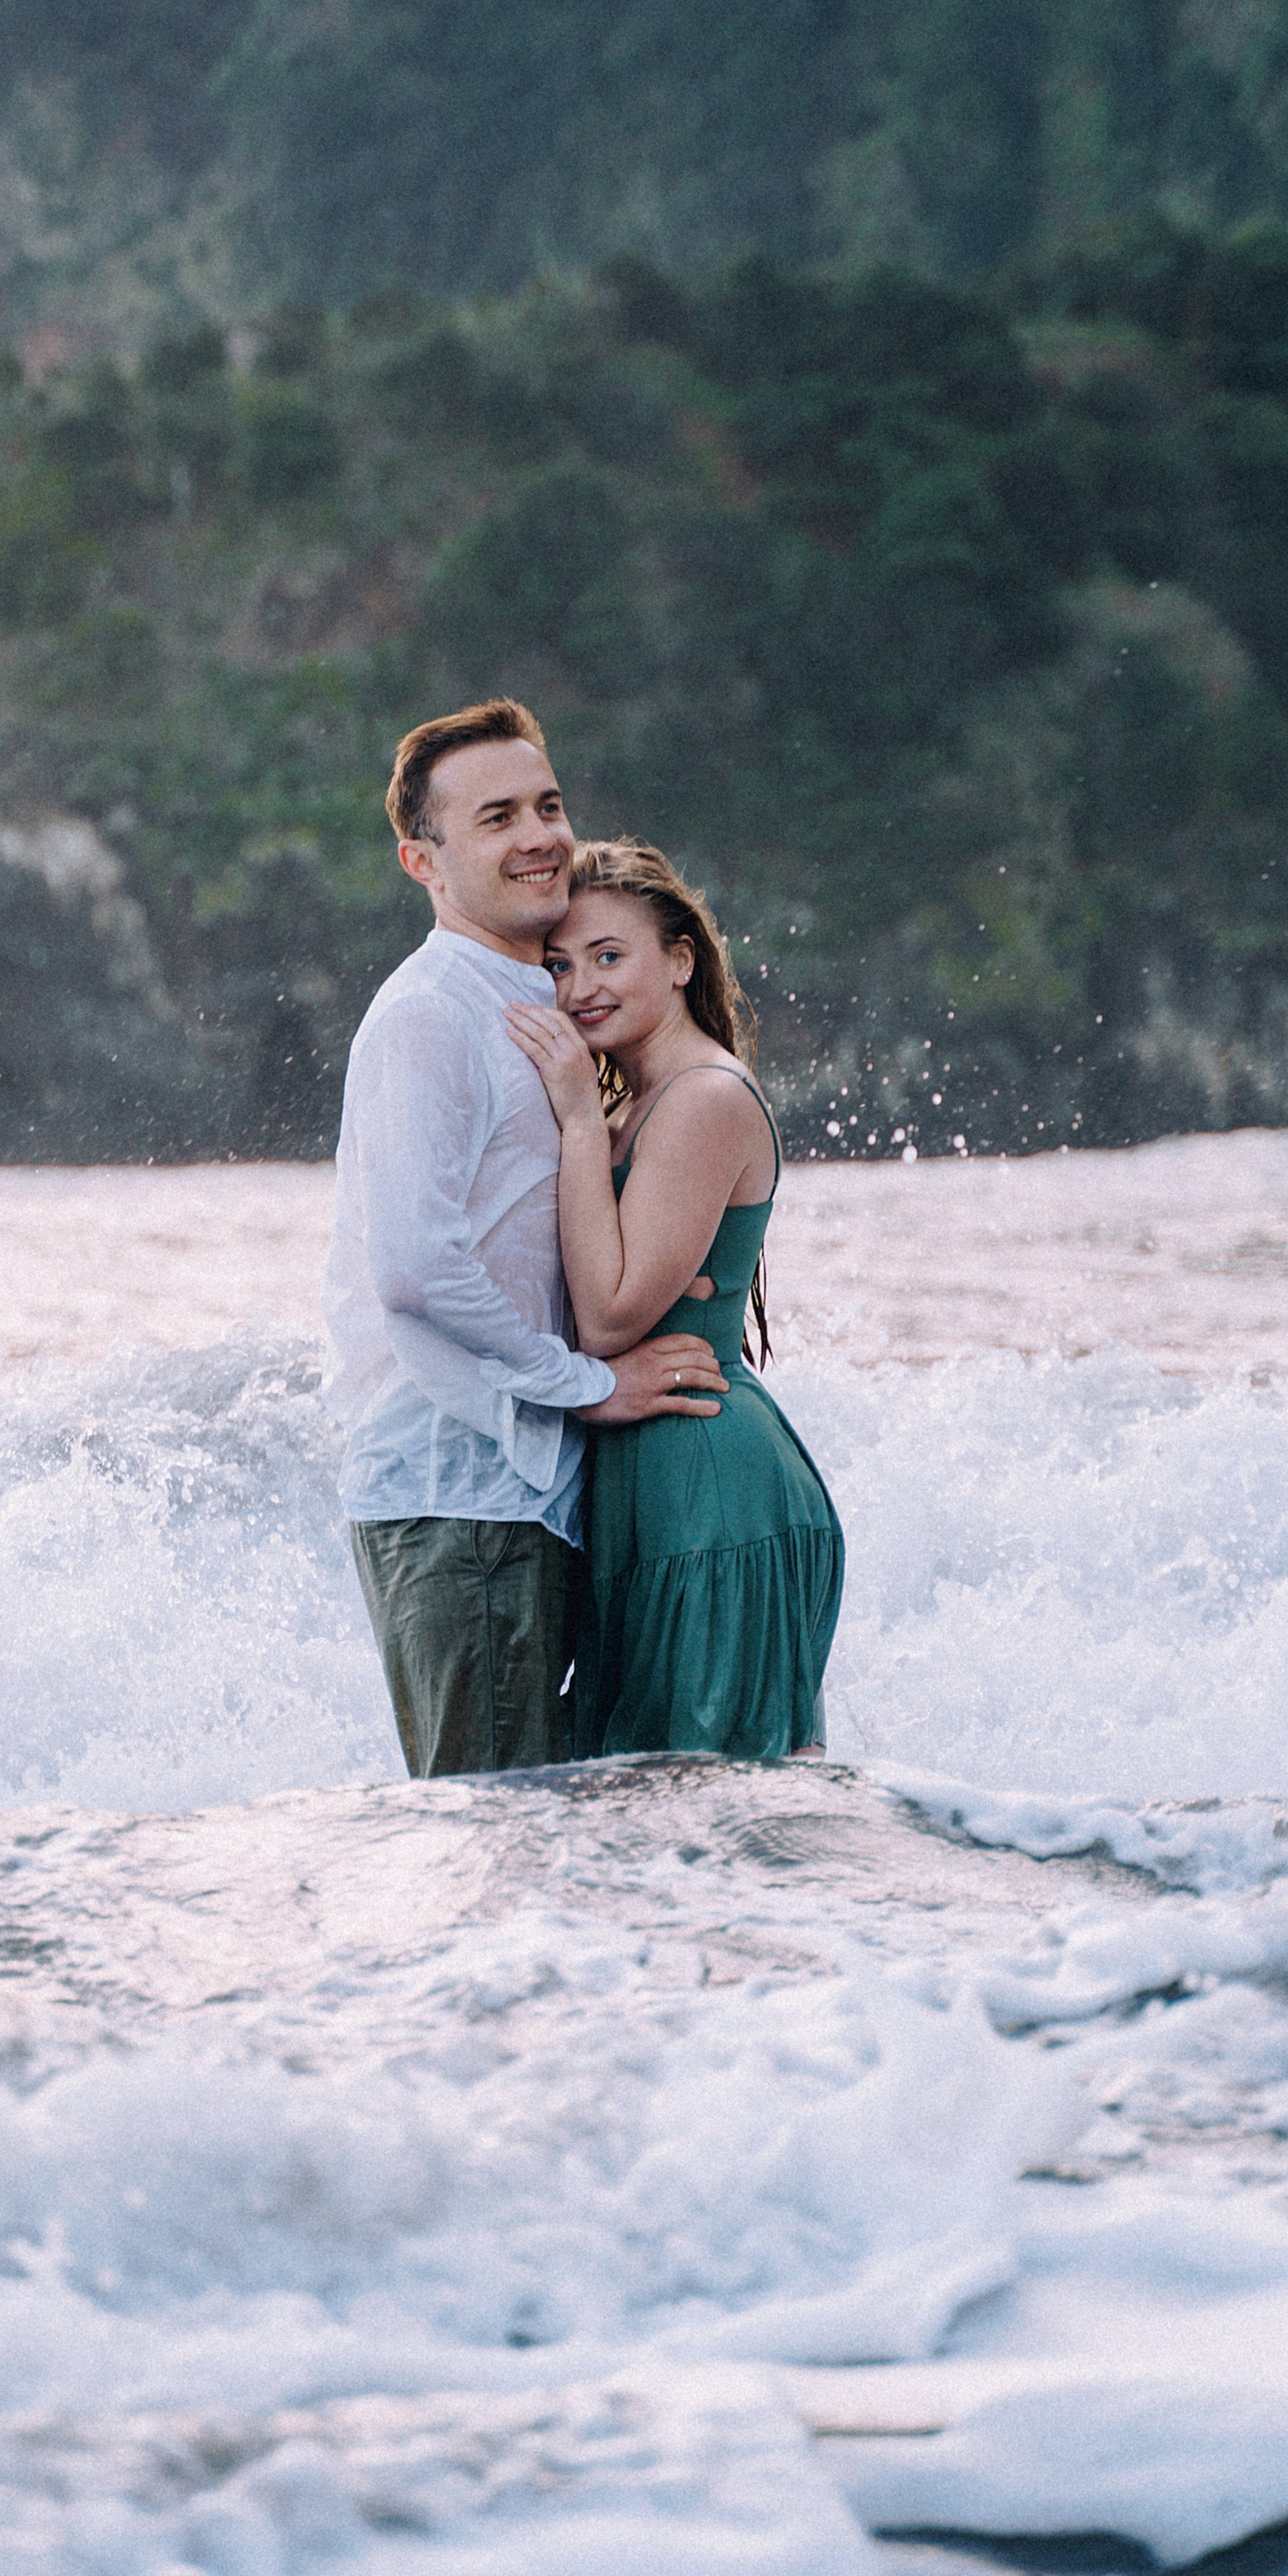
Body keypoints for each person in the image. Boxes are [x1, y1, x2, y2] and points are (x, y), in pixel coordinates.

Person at [325, 700, 732, 1779]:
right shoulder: (430, 1013)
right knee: (495, 1831)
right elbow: (413, 1270)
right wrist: (587, 1385)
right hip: (457, 1488)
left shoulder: (534, 1007)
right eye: (496, 817)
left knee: (549, 1834)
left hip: (523, 1487)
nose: (539, 835)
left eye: (547, 805)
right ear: (424, 860)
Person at [502, 838, 844, 1758]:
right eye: (560, 966)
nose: (580, 990)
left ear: (680, 960)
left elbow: (611, 1317)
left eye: (609, 956)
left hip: (711, 1492)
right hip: (653, 1488)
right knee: (658, 1831)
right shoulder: (634, 1107)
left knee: (716, 1815)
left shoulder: (701, 1101)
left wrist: (576, 1115)